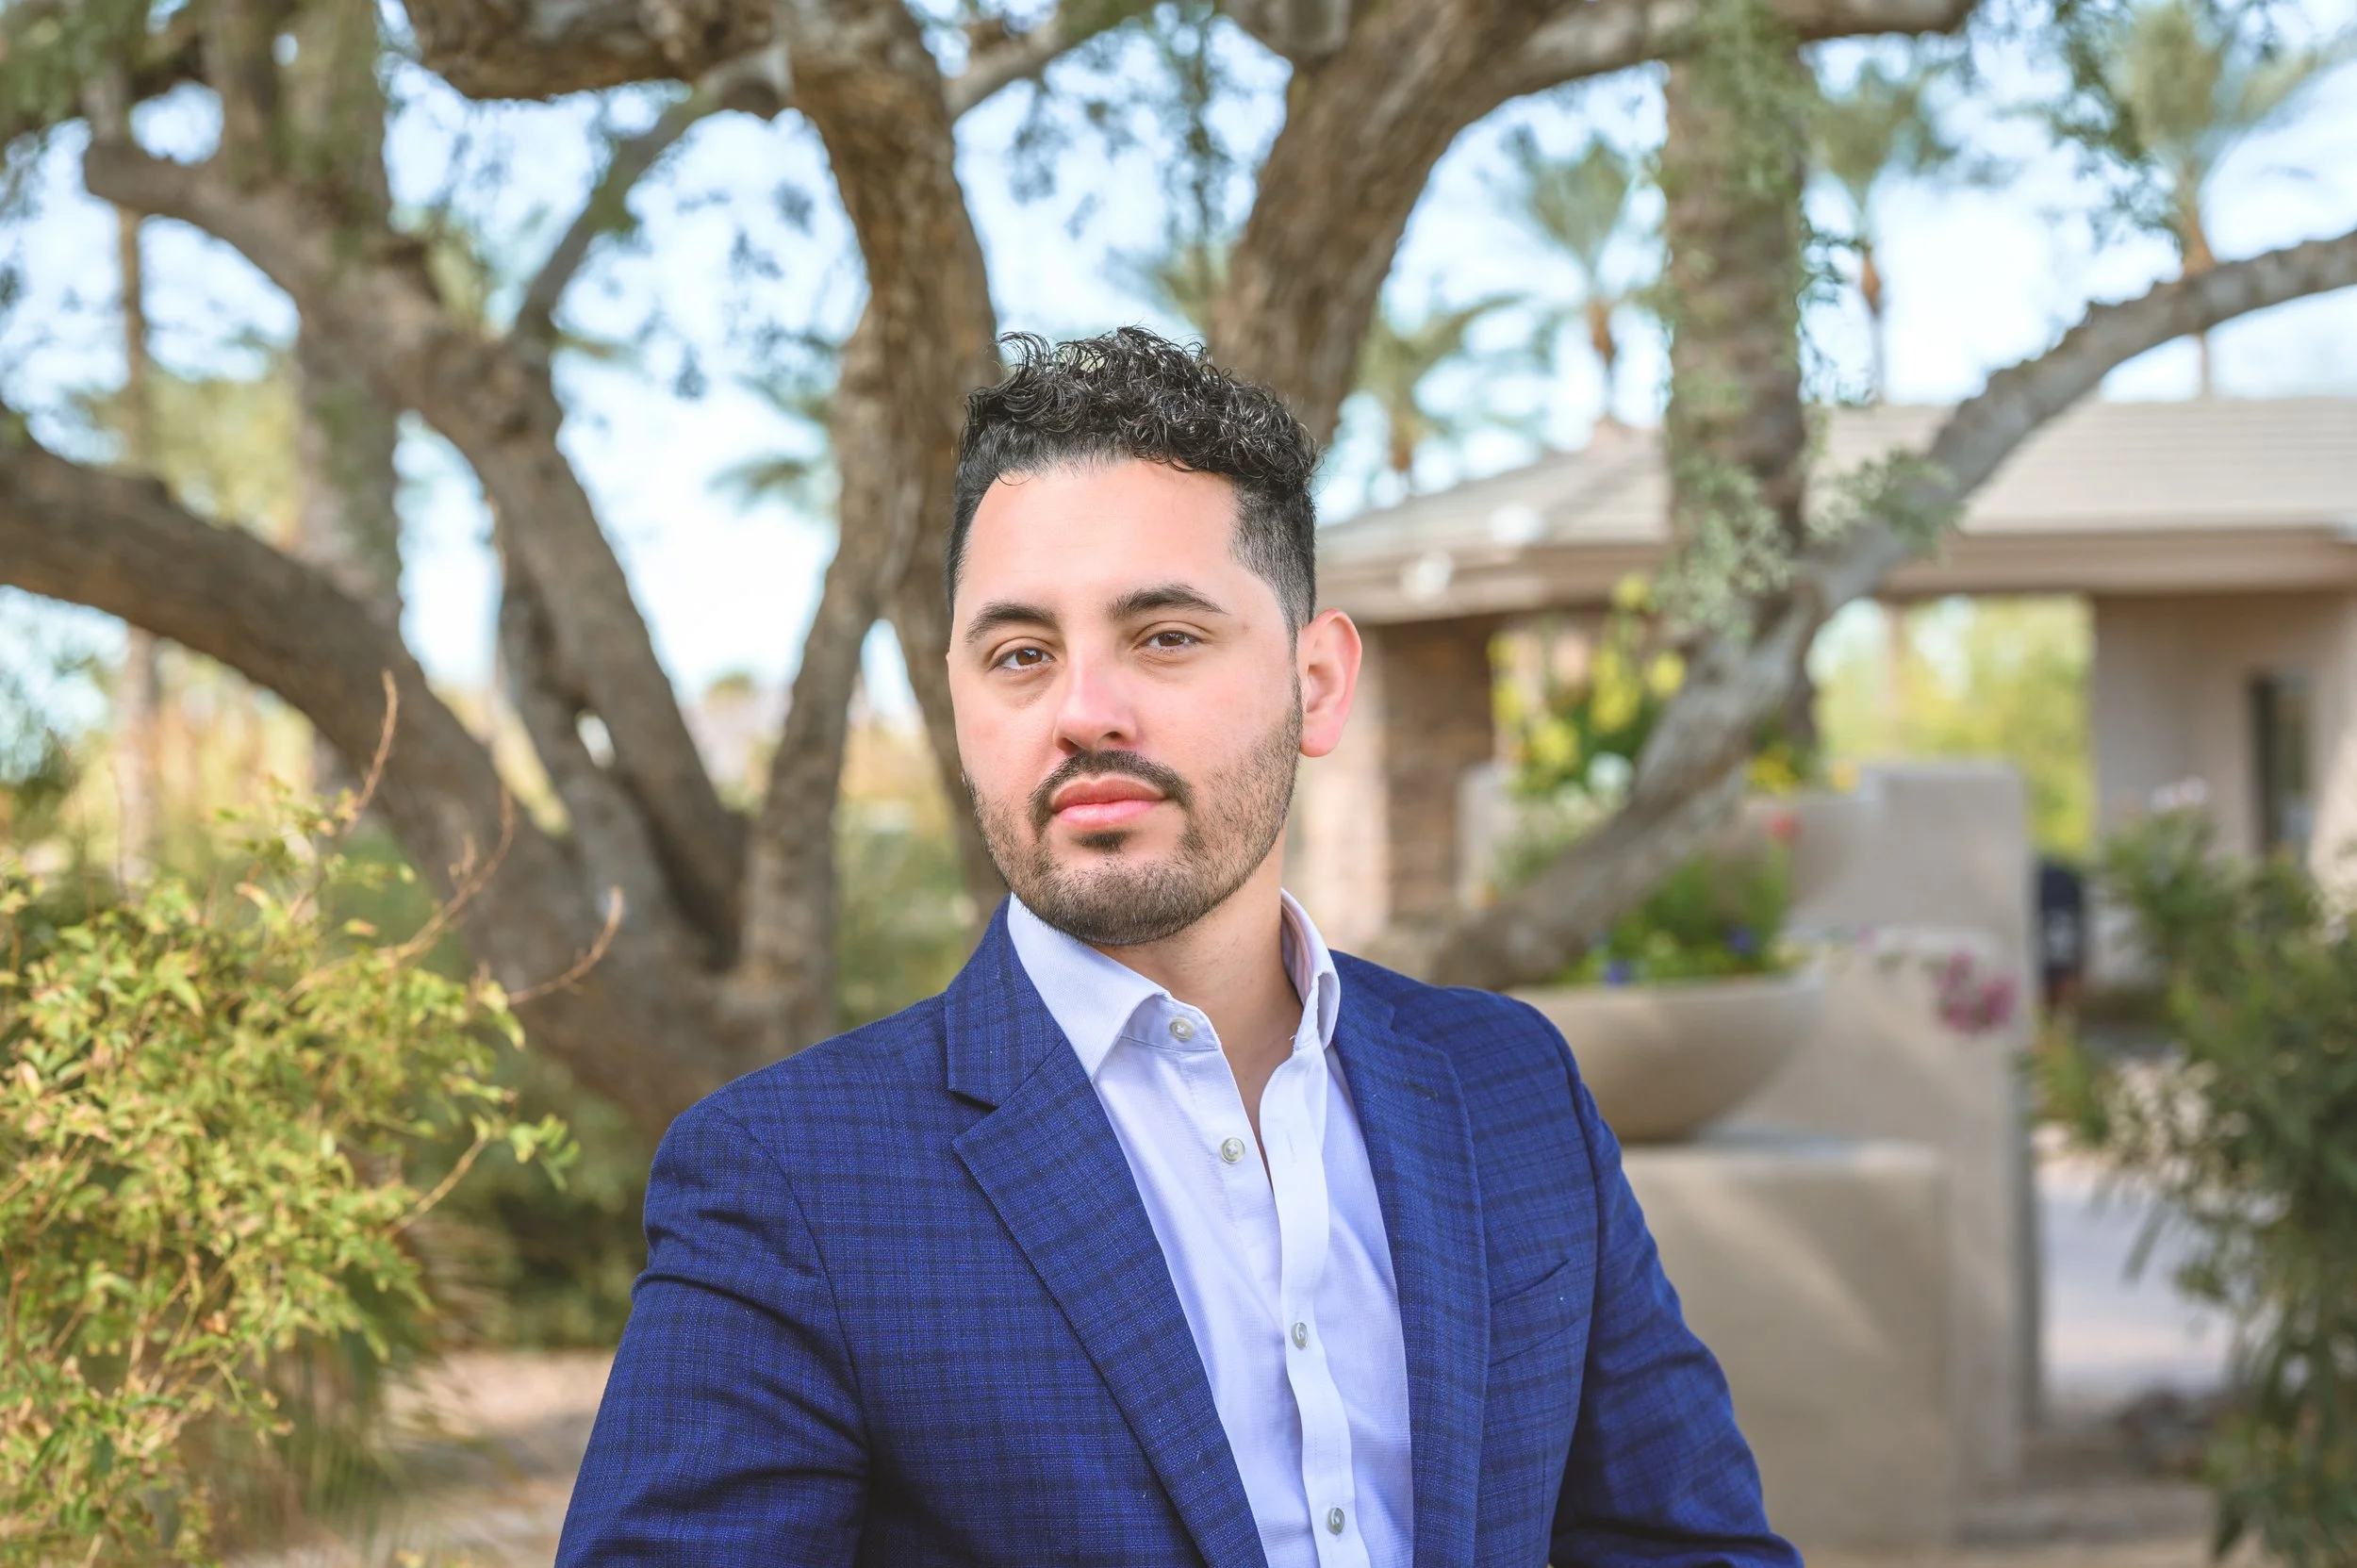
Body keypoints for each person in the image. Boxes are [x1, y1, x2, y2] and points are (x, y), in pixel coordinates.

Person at [555, 328, 1799, 1568]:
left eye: (1164, 636)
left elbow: (1687, 1547)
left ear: (1319, 683)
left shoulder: (1510, 1087)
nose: (1084, 711)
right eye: (1021, 655)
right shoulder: (793, 1181)